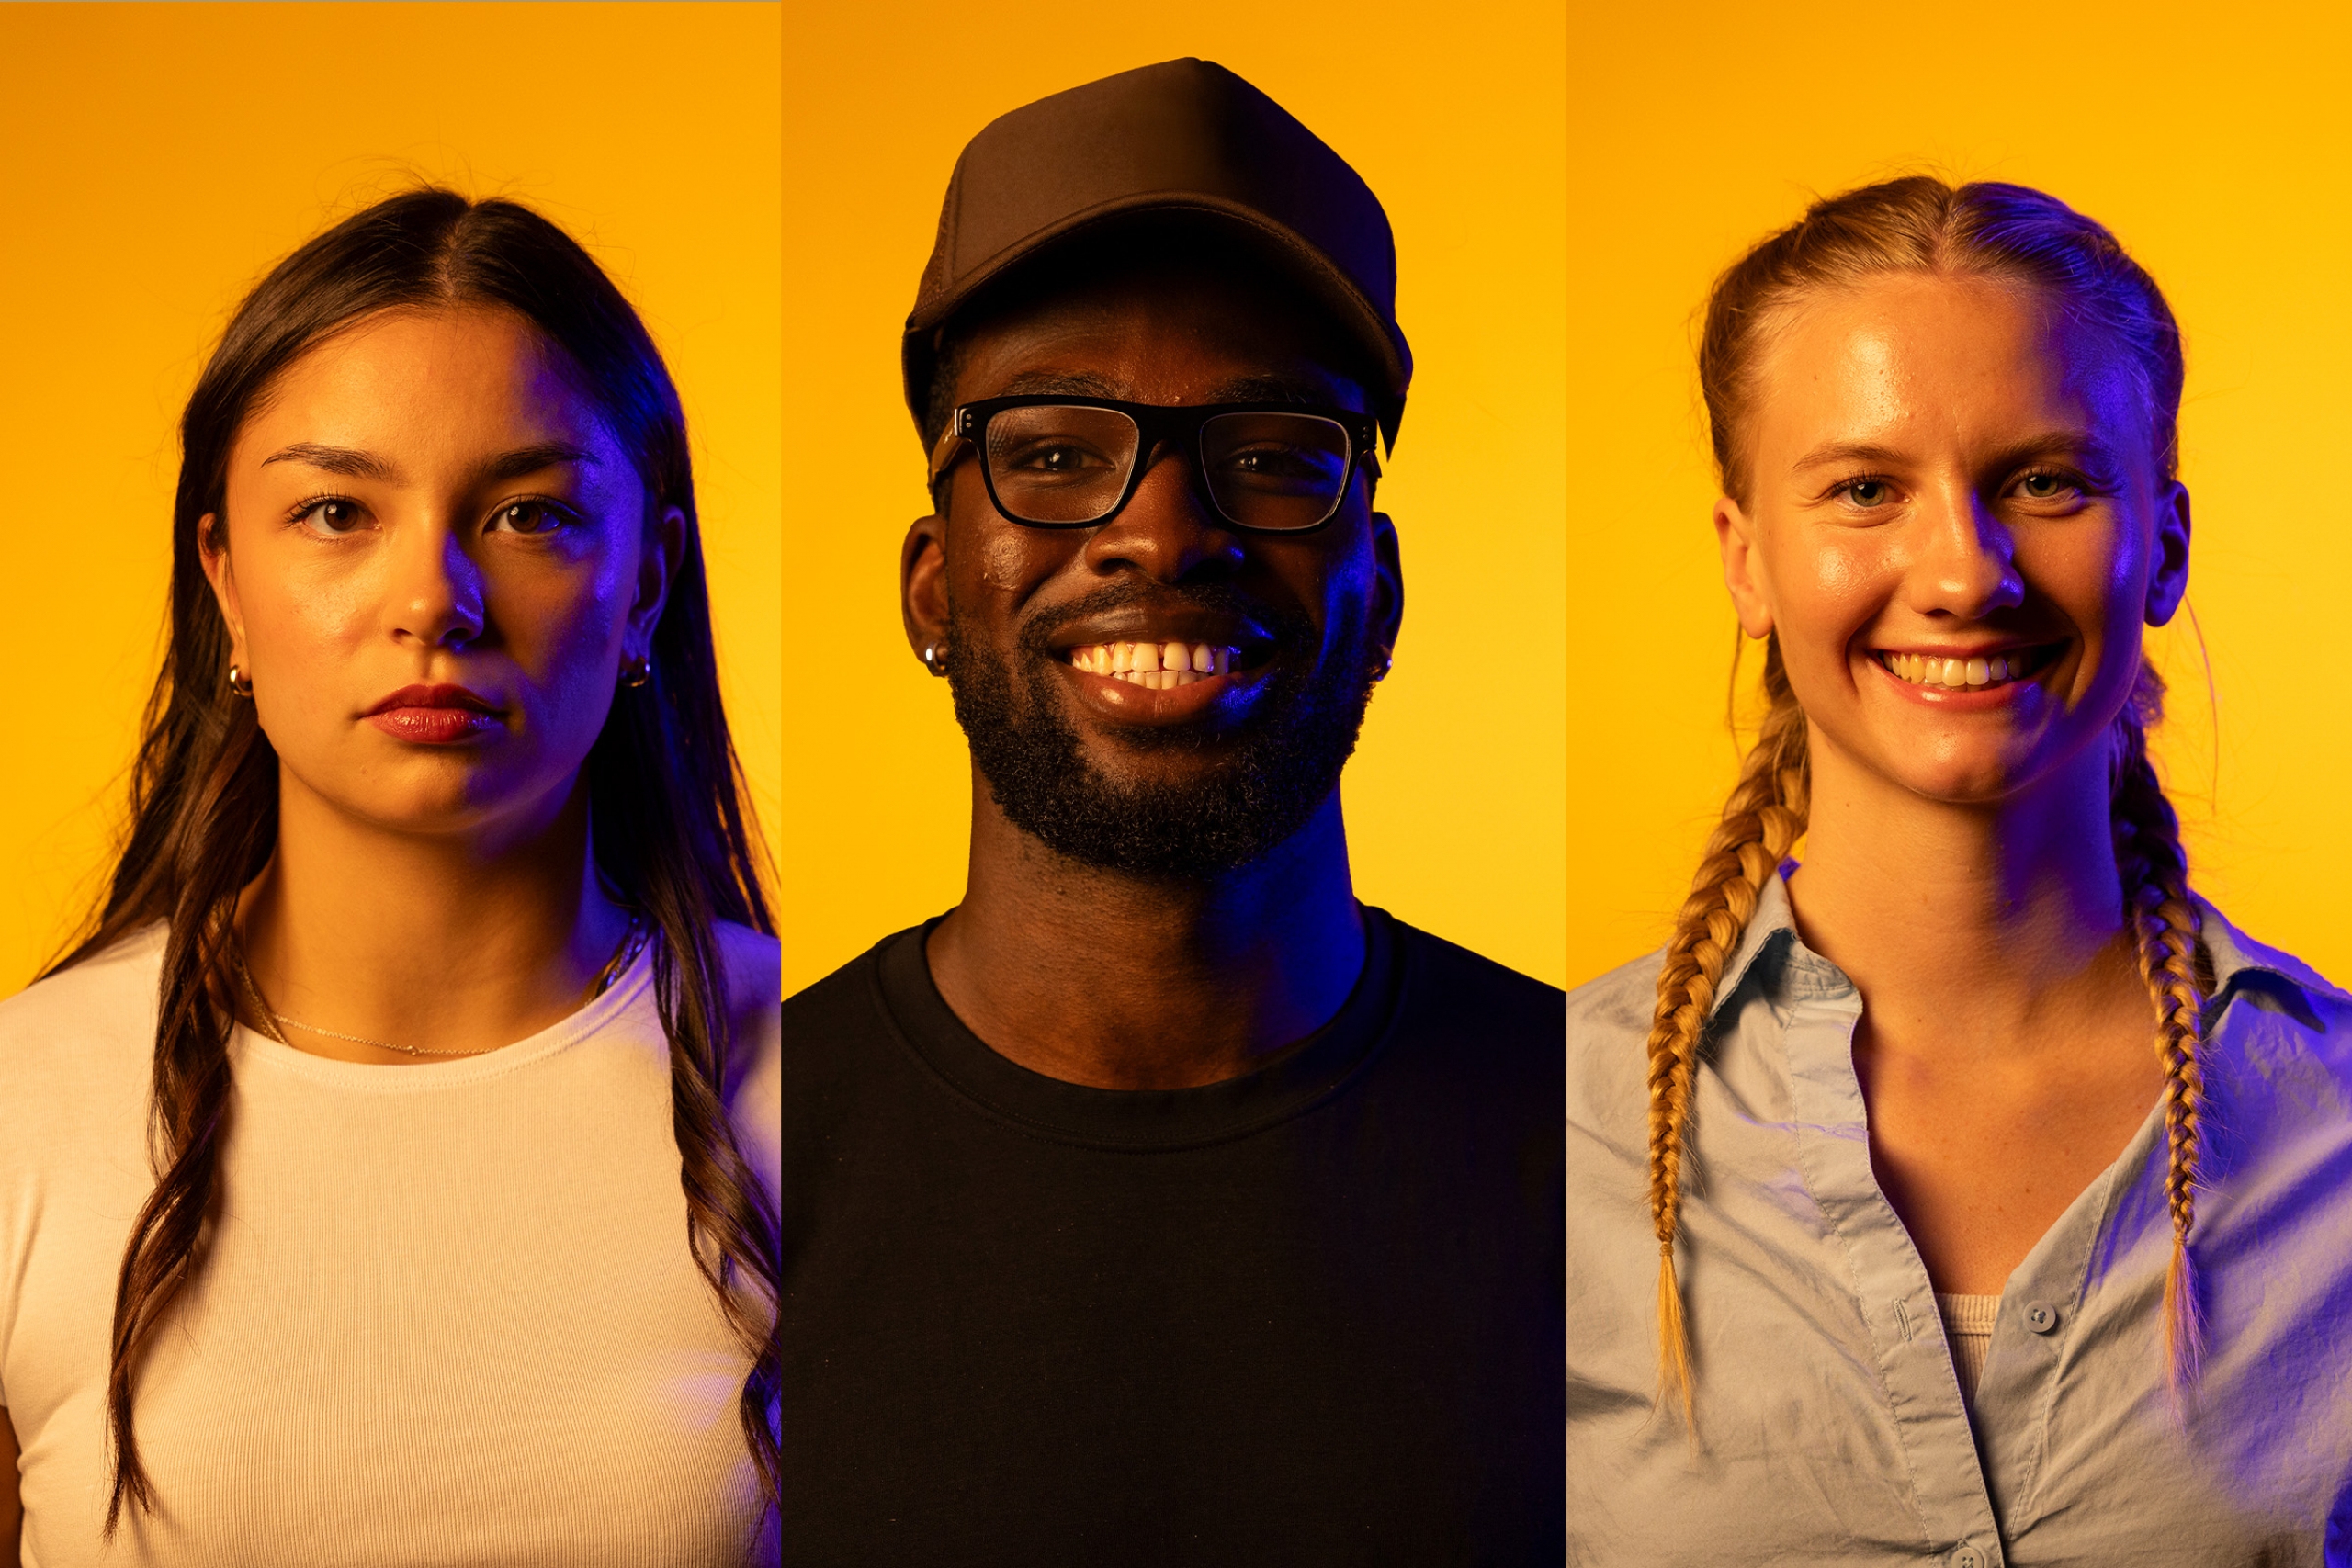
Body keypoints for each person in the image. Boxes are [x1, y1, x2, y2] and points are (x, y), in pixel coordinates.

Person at [778, 59, 1563, 1562]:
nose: (1161, 530)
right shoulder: (726, 1166)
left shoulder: (1613, 1155)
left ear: (1380, 593)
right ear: (933, 588)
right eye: (1057, 453)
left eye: (1271, 457)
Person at [1563, 176, 2352, 1562]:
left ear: (2162, 547)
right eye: (1865, 489)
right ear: (1747, 562)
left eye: (2044, 482)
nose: (1963, 572)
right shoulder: (1544, 1137)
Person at [0, 191, 781, 1566]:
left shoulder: (821, 1084)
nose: (436, 598)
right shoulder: (21, 1110)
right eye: (337, 511)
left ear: (648, 583)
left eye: (530, 512)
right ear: (226, 580)